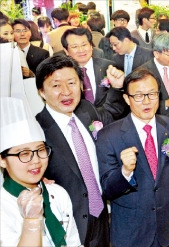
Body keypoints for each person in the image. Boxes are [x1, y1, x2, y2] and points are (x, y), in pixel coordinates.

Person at [34, 55, 124, 246]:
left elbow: (110, 115)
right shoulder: (37, 130)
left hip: (100, 216)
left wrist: (116, 88)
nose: (66, 92)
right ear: (41, 91)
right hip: (68, 224)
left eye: (72, 83)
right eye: (56, 85)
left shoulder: (86, 110)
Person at [96, 68, 169, 247]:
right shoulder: (109, 136)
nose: (146, 101)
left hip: (165, 223)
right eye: (138, 95)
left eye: (152, 94)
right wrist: (125, 171)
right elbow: (107, 189)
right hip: (131, 230)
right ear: (126, 99)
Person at [0, 97, 81, 246]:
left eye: (40, 150)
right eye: (24, 154)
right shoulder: (3, 206)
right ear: (2, 160)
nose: (36, 160)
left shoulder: (58, 193)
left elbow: (74, 242)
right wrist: (31, 222)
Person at [62, 27, 126, 120]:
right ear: (66, 51)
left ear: (91, 46)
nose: (81, 50)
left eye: (84, 44)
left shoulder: (109, 67)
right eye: (75, 46)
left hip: (108, 122)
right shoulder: (63, 74)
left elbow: (118, 101)